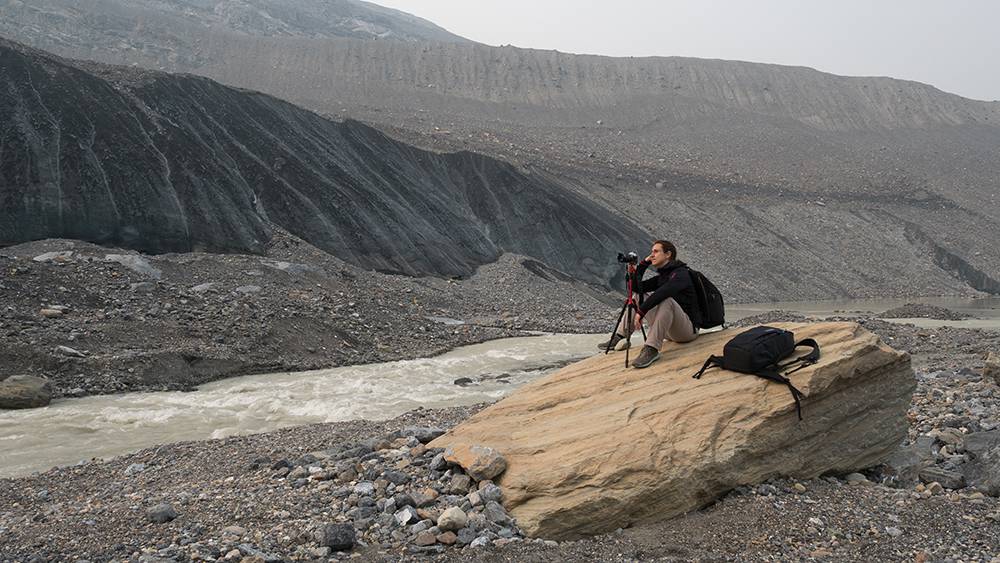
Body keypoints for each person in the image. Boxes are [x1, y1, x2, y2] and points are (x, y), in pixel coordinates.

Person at [598, 240, 701, 368]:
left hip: (686, 331)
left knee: (667, 300)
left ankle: (651, 349)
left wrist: (641, 312)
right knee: (637, 296)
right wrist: (642, 265)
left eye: (656, 251)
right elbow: (637, 288)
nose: (652, 255)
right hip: (668, 331)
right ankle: (619, 336)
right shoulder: (662, 277)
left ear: (668, 254)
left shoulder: (681, 274)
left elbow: (664, 292)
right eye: (651, 252)